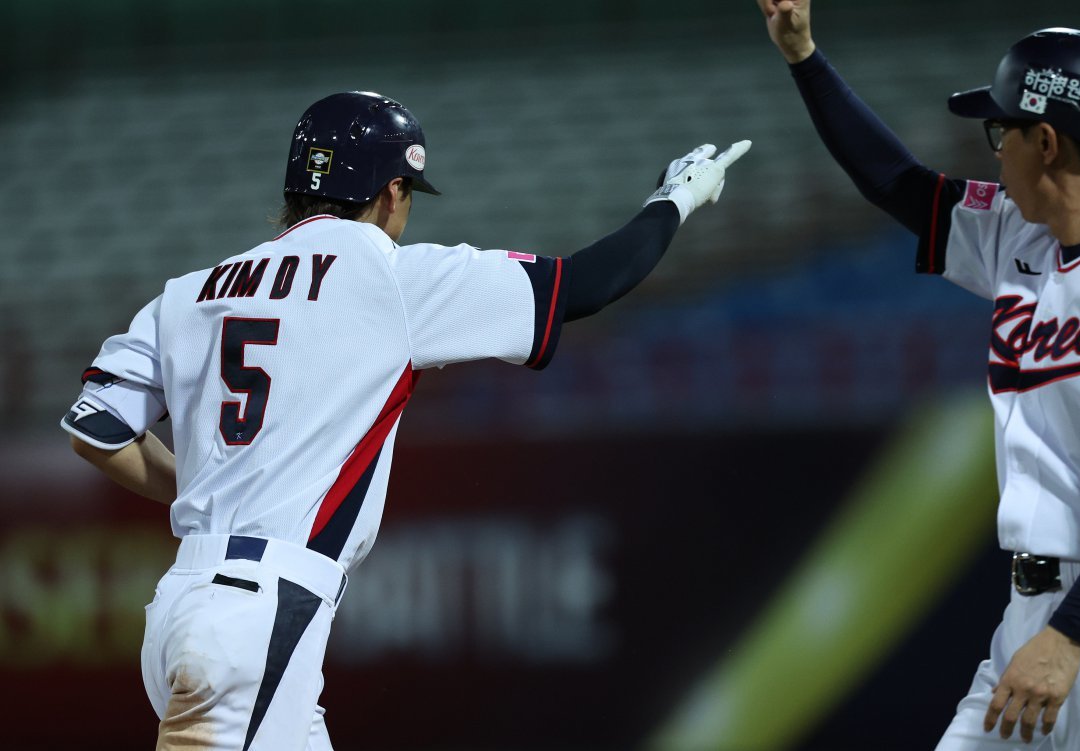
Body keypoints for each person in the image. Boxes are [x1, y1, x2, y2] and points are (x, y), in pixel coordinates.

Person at [61, 89, 750, 749]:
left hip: (185, 601)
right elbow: (589, 284)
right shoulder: (386, 275)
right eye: (408, 195)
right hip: (260, 617)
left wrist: (208, 490)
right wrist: (676, 197)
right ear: (392, 190)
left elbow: (95, 428)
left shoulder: (191, 291)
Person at [756, 2, 1080, 748]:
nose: (994, 151)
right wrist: (804, 56)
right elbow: (898, 183)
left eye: (1003, 132)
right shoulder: (1018, 235)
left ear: (1048, 141)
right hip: (1032, 612)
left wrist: (1068, 634)